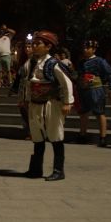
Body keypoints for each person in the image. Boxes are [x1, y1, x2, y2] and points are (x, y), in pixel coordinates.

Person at [23, 31, 74, 181]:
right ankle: (36, 169)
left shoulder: (53, 63)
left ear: (48, 46)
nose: (34, 46)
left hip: (50, 104)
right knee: (37, 136)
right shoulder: (32, 62)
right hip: (35, 104)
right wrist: (27, 99)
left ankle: (59, 170)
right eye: (34, 43)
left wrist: (67, 102)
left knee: (55, 135)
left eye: (38, 44)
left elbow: (67, 83)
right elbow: (28, 83)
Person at [75, 40, 111, 147]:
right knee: (83, 113)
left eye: (88, 48)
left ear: (93, 49)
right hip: (83, 89)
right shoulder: (81, 62)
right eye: (84, 48)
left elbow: (110, 74)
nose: (85, 50)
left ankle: (103, 137)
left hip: (96, 89)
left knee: (99, 113)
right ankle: (82, 134)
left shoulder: (99, 61)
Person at [9, 41, 34, 139]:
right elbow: (19, 77)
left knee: (31, 111)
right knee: (24, 110)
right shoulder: (24, 61)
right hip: (23, 89)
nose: (27, 49)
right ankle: (30, 131)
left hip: (32, 88)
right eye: (26, 47)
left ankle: (34, 132)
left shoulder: (36, 60)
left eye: (29, 47)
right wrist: (13, 89)